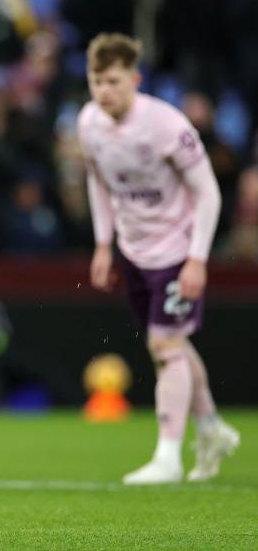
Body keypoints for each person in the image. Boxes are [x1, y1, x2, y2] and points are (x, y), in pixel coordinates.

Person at [78, 33, 240, 484]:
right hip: (133, 249)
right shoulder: (89, 122)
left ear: (135, 78)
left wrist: (197, 258)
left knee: (164, 346)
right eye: (96, 81)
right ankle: (210, 428)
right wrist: (104, 244)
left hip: (175, 248)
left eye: (112, 81)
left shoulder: (167, 125)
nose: (103, 91)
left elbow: (207, 191)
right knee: (173, 345)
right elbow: (98, 181)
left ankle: (168, 455)